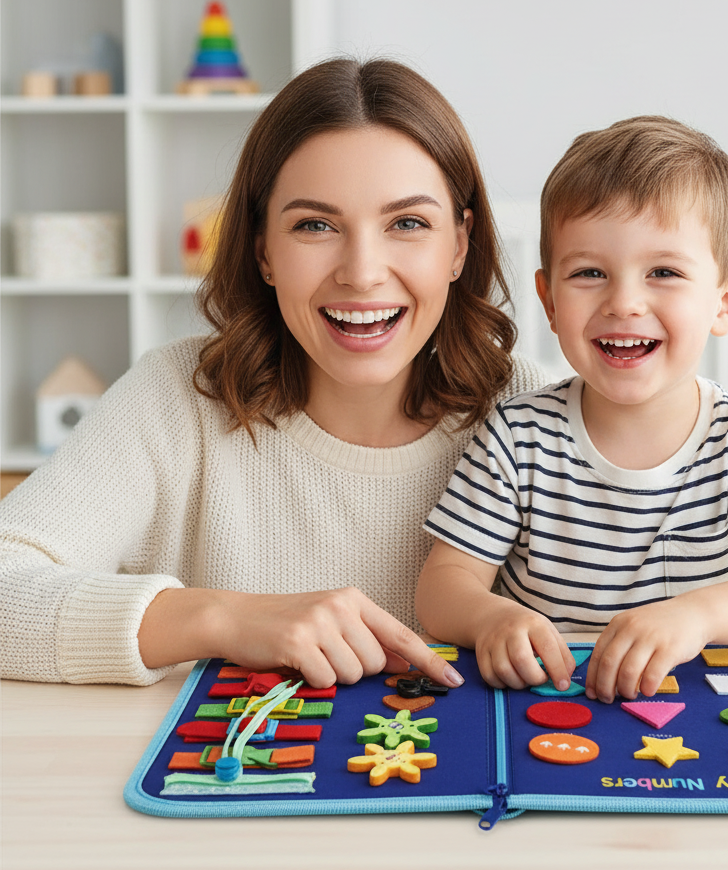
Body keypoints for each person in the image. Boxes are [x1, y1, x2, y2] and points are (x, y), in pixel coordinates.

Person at [0, 58, 545, 688]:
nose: (362, 272)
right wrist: (224, 617)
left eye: (408, 224)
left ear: (458, 244)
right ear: (263, 250)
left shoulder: (532, 411)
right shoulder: (176, 397)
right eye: (315, 225)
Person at [416, 115, 728, 704]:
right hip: (548, 703)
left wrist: (695, 617)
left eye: (663, 272)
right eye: (590, 273)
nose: (624, 302)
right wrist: (489, 619)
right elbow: (443, 586)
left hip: (697, 702)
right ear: (548, 300)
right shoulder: (519, 435)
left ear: (724, 303)